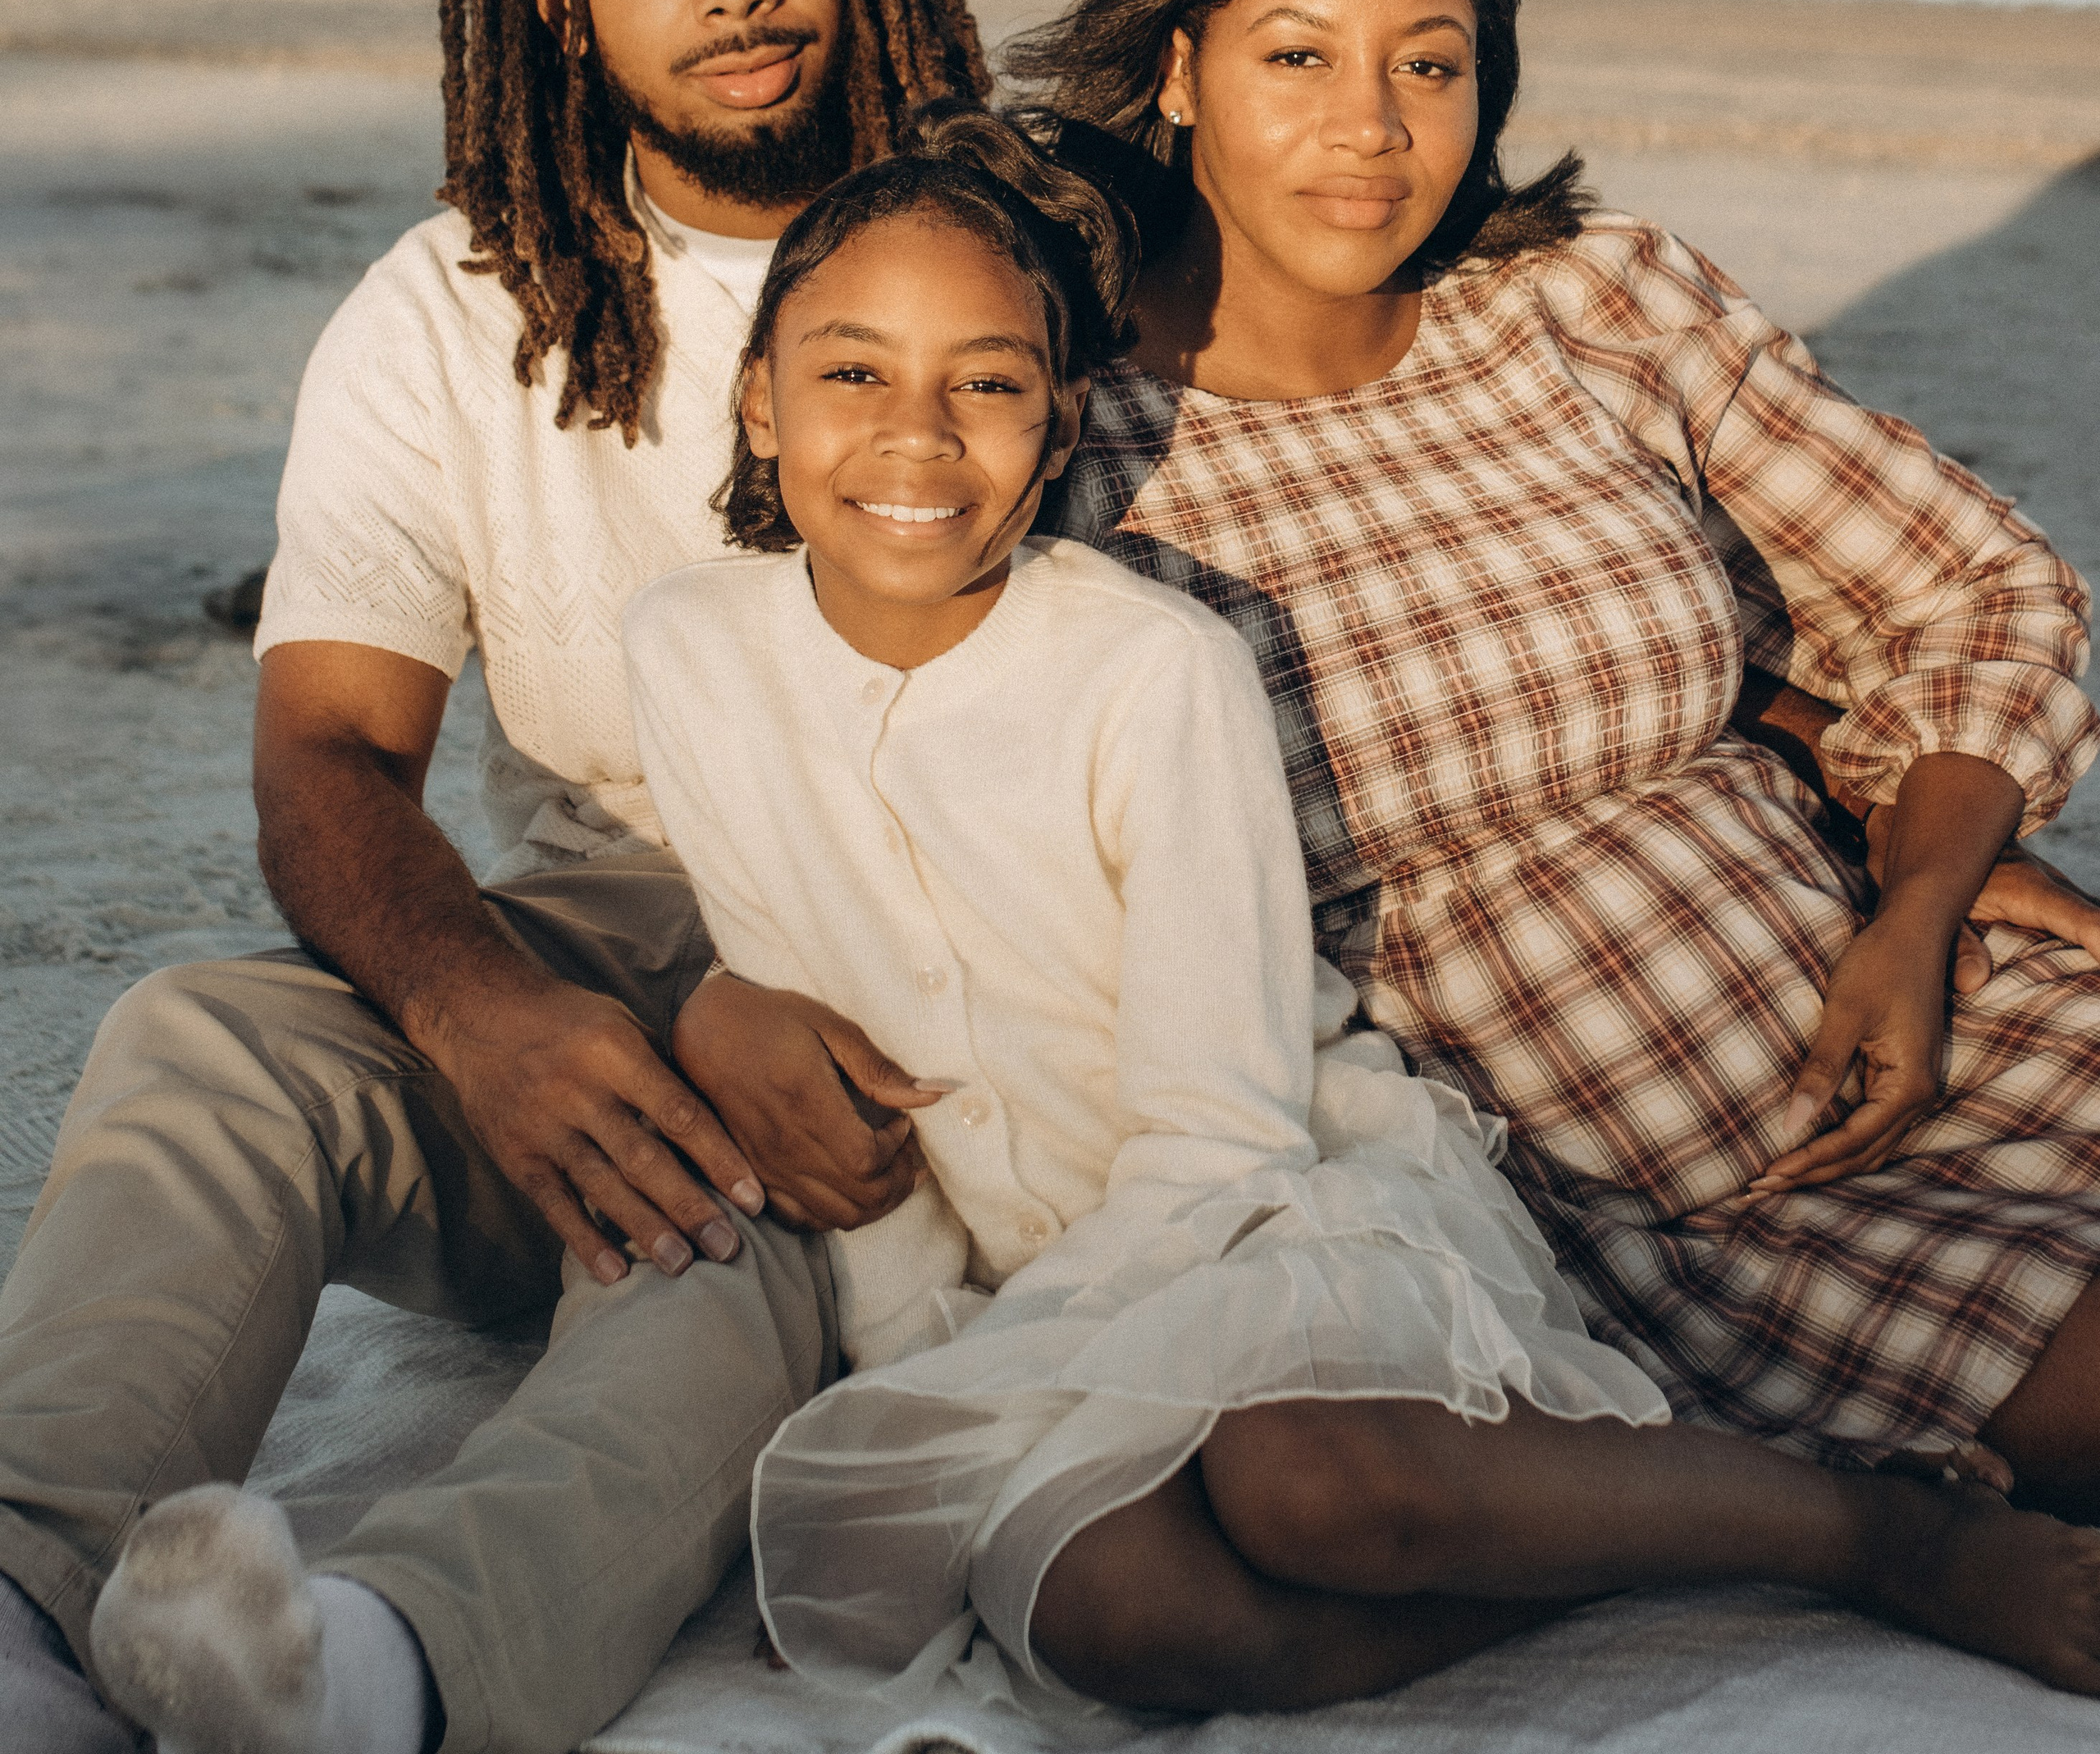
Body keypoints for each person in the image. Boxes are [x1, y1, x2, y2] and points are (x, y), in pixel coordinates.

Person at [505, 116, 2100, 1712]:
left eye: (985, 382)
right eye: (851, 373)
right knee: (1118, 1618)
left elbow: (1224, 1134)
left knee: (1309, 1485)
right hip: (1032, 1288)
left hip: (1284, 1205)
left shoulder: (1150, 667)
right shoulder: (689, 648)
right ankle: (1641, 1545)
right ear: (757, 398)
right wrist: (916, 1390)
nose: (915, 436)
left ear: (1060, 429)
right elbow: (833, 1099)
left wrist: (961, 1399)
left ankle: (1862, 1534)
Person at [0, 0, 990, 1754]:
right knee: (203, 1033)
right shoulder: (451, 313)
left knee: (726, 1240)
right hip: (581, 951)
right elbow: (330, 760)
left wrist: (749, 995)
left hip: (917, 987)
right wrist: (481, 1010)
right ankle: (22, 1595)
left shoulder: (1004, 259)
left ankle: (383, 1671)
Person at [998, 0, 2100, 1510]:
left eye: (1427, 67)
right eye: (1297, 55)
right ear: (1173, 65)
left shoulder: (1585, 305)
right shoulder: (1059, 444)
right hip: (1640, 1191)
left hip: (1913, 1003)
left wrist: (1925, 882)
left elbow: (1977, 587)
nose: (1368, 130)